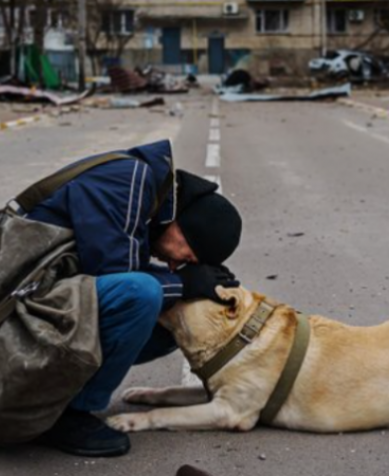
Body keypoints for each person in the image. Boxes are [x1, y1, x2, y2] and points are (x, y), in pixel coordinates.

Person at [25, 140, 243, 457]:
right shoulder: (130, 180)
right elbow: (116, 277)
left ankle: (57, 391)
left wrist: (185, 287)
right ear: (184, 229)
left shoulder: (147, 198)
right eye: (188, 256)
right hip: (17, 303)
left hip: (44, 296)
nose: (174, 264)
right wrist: (182, 282)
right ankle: (67, 416)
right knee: (145, 293)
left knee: (172, 310)